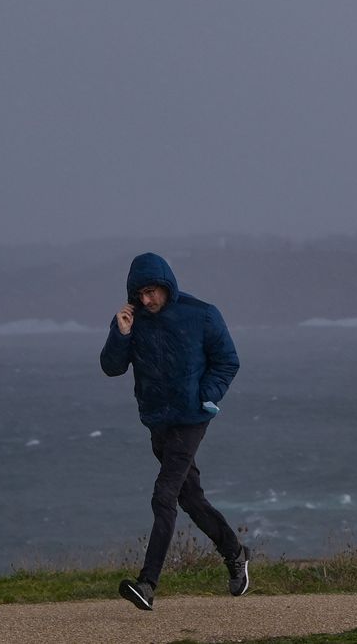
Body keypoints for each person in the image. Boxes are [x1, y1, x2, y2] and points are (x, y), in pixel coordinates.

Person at [100, 252, 247, 611]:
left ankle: (147, 584)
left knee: (163, 495)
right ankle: (235, 553)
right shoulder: (131, 320)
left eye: (152, 292)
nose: (147, 300)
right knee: (190, 498)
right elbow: (111, 368)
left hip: (192, 418)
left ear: (166, 287)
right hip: (158, 421)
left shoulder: (202, 314)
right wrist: (120, 334)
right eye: (141, 294)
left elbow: (228, 360)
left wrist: (207, 396)